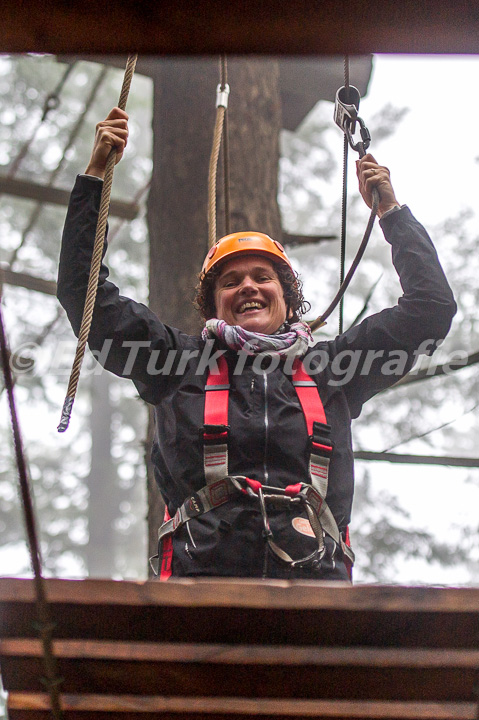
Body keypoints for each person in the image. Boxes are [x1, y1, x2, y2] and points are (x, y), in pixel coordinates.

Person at [58, 107, 456, 581]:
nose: (247, 286)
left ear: (288, 300)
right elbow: (86, 298)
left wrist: (390, 212)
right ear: (213, 307)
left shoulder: (333, 370)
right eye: (230, 282)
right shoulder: (178, 365)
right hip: (203, 592)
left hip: (312, 591)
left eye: (262, 277)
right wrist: (95, 176)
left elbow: (430, 310)